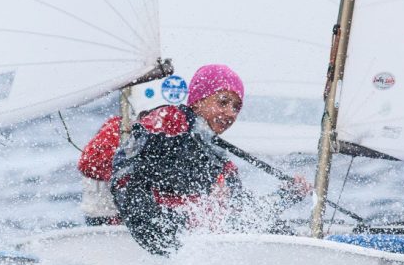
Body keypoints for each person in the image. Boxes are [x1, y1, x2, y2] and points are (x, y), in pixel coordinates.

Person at [109, 64, 310, 255]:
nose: (230, 113)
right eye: (222, 102)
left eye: (236, 107)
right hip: (155, 236)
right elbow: (123, 172)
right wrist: (158, 231)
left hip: (191, 243)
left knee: (281, 230)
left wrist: (287, 195)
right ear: (198, 100)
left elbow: (244, 214)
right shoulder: (168, 121)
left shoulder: (220, 160)